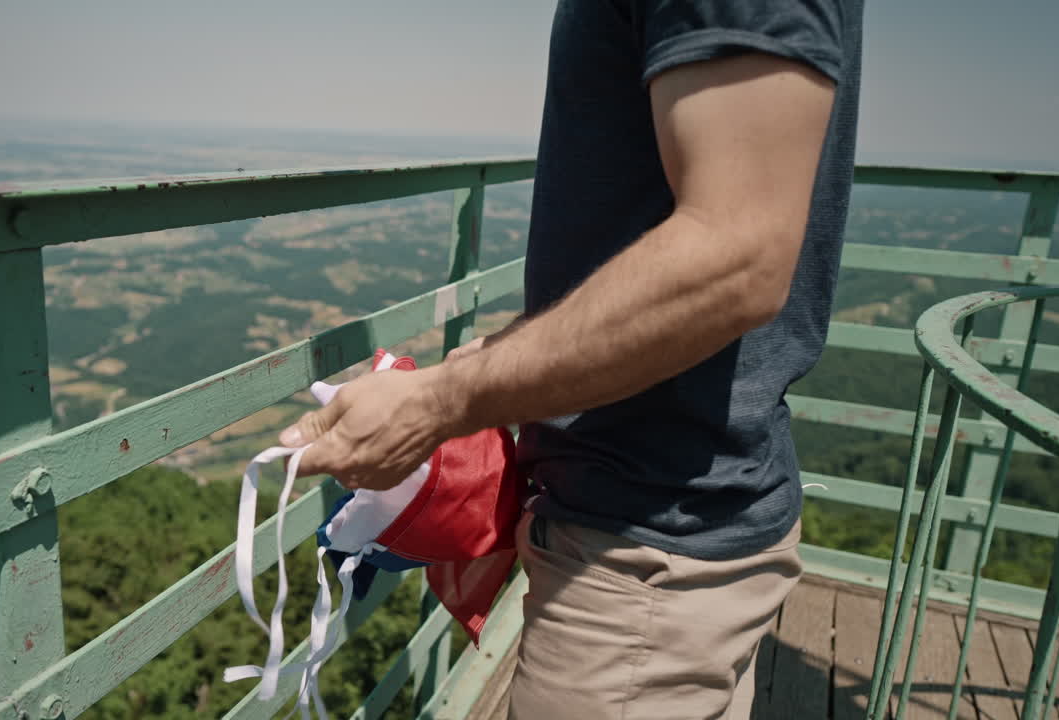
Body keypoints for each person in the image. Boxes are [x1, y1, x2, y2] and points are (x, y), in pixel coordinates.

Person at [281, 1, 863, 717]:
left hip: (648, 563)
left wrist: (440, 402)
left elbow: (735, 259)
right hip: (678, 532)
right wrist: (502, 360)